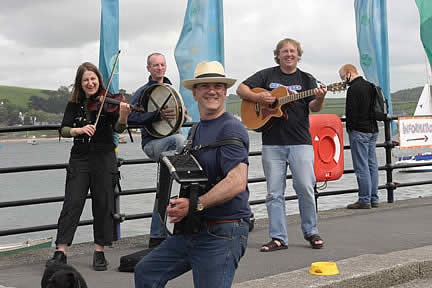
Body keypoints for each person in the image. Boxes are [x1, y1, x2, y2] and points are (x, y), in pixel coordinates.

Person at [134, 61, 251, 288]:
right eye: (205, 86)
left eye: (218, 86)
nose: (212, 91)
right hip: (194, 227)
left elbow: (236, 182)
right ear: (194, 93)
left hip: (224, 230)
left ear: (225, 92)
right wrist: (180, 206)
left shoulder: (232, 128)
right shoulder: (197, 129)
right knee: (146, 272)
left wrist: (195, 204)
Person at [237, 38, 326, 251]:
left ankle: (311, 231)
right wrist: (258, 98)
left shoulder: (307, 79)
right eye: (284, 51)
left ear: (298, 55)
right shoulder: (267, 75)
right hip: (272, 143)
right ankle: (278, 238)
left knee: (305, 187)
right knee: (274, 192)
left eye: (292, 51)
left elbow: (314, 107)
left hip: (300, 142)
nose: (289, 54)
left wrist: (321, 97)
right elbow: (241, 89)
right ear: (278, 55)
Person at [46, 62, 131, 271]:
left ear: (98, 81)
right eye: (86, 80)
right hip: (80, 158)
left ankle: (99, 251)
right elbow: (64, 130)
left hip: (104, 157)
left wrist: (123, 115)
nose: (90, 83)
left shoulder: (109, 101)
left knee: (103, 204)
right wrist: (80, 130)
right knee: (72, 202)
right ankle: (61, 251)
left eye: (93, 79)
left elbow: (119, 128)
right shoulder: (73, 104)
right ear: (80, 83)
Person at [128, 53, 185, 248]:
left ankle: (157, 236)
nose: (159, 68)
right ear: (148, 68)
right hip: (153, 145)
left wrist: (180, 118)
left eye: (162, 65)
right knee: (180, 140)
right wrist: (156, 115)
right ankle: (188, 180)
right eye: (155, 65)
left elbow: (179, 117)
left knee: (164, 190)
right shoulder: (143, 93)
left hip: (169, 145)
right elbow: (131, 119)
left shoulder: (170, 90)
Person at [339, 64, 379, 209]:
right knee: (372, 165)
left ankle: (364, 199)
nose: (344, 81)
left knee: (361, 166)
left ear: (349, 74)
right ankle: (374, 198)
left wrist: (350, 129)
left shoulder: (353, 90)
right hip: (373, 129)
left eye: (343, 78)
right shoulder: (370, 86)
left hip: (359, 131)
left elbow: (351, 112)